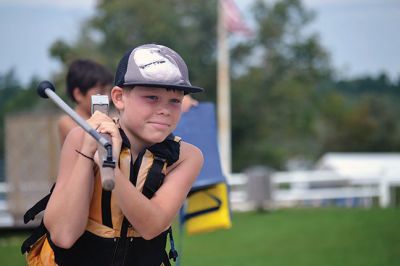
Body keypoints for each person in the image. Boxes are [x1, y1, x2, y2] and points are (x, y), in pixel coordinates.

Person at [43, 44, 204, 265]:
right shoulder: (79, 138)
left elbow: (151, 227)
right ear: (119, 97)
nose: (165, 109)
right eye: (151, 98)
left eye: (175, 100)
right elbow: (64, 235)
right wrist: (87, 155)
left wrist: (111, 169)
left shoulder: (187, 156)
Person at [57, 59, 113, 144]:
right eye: (100, 93)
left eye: (109, 91)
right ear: (78, 94)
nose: (108, 98)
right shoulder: (67, 122)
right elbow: (90, 141)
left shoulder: (109, 119)